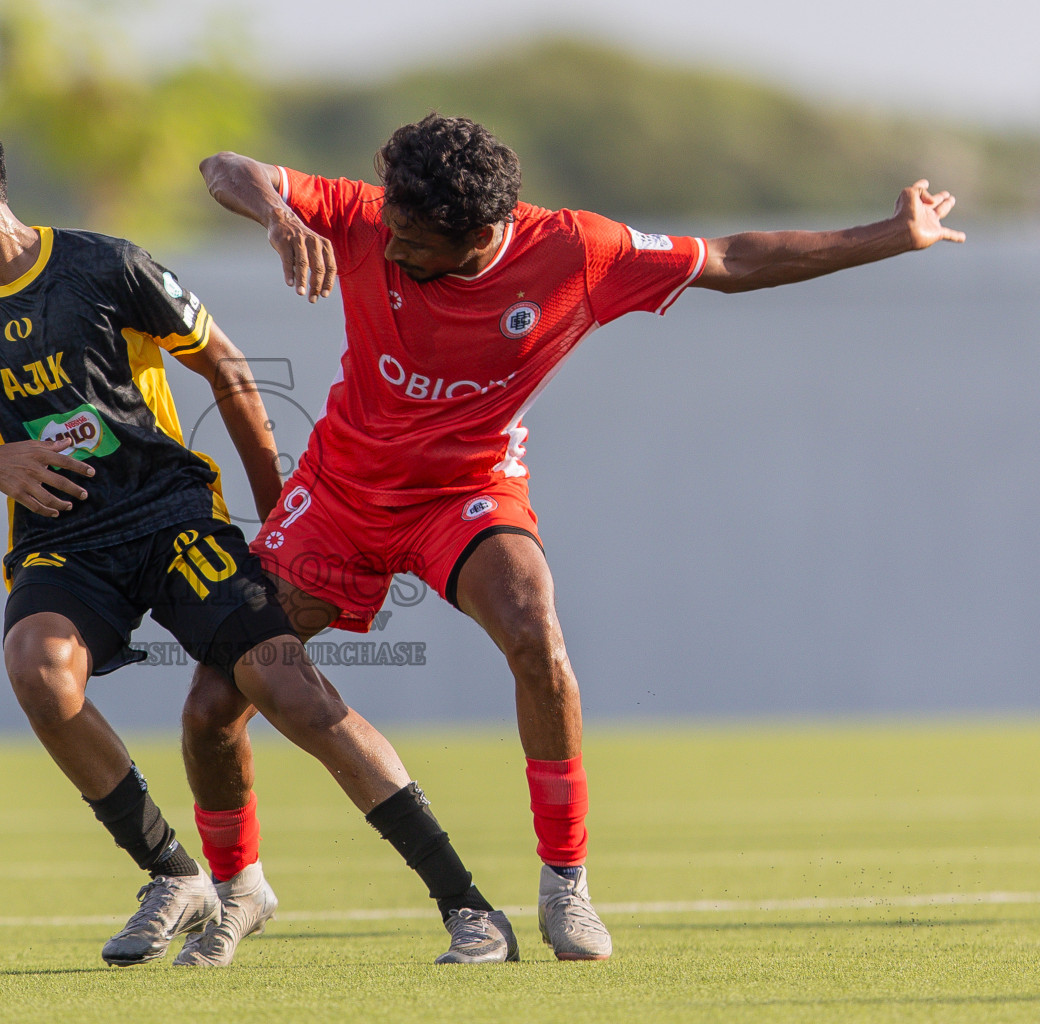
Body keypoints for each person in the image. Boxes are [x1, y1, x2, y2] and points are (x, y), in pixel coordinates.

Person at [182, 113, 965, 962]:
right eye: (391, 232)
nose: (393, 252)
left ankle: (566, 887)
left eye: (414, 242)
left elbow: (732, 260)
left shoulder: (577, 252)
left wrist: (893, 234)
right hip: (339, 497)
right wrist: (280, 216)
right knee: (215, 699)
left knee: (537, 637)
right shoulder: (369, 216)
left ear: (482, 235)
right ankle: (241, 889)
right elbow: (224, 164)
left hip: (465, 495)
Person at [0, 104, 521, 968]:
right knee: (37, 668)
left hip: (172, 517)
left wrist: (281, 519)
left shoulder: (106, 265)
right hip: (64, 545)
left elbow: (229, 369)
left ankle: (469, 908)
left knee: (294, 696)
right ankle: (173, 875)